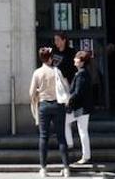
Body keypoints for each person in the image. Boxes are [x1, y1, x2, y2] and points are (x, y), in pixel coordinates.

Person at [29, 46, 71, 177]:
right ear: (50, 58)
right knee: (61, 137)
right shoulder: (56, 71)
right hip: (58, 105)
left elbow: (31, 93)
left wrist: (37, 93)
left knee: (43, 137)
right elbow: (65, 87)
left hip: (44, 105)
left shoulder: (37, 73)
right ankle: (66, 167)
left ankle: (43, 168)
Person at [65, 49, 95, 165]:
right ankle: (75, 148)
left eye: (76, 58)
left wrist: (69, 100)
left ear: (81, 62)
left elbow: (77, 92)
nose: (74, 59)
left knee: (82, 131)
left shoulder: (81, 74)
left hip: (80, 108)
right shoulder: (83, 73)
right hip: (81, 108)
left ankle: (80, 152)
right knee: (81, 130)